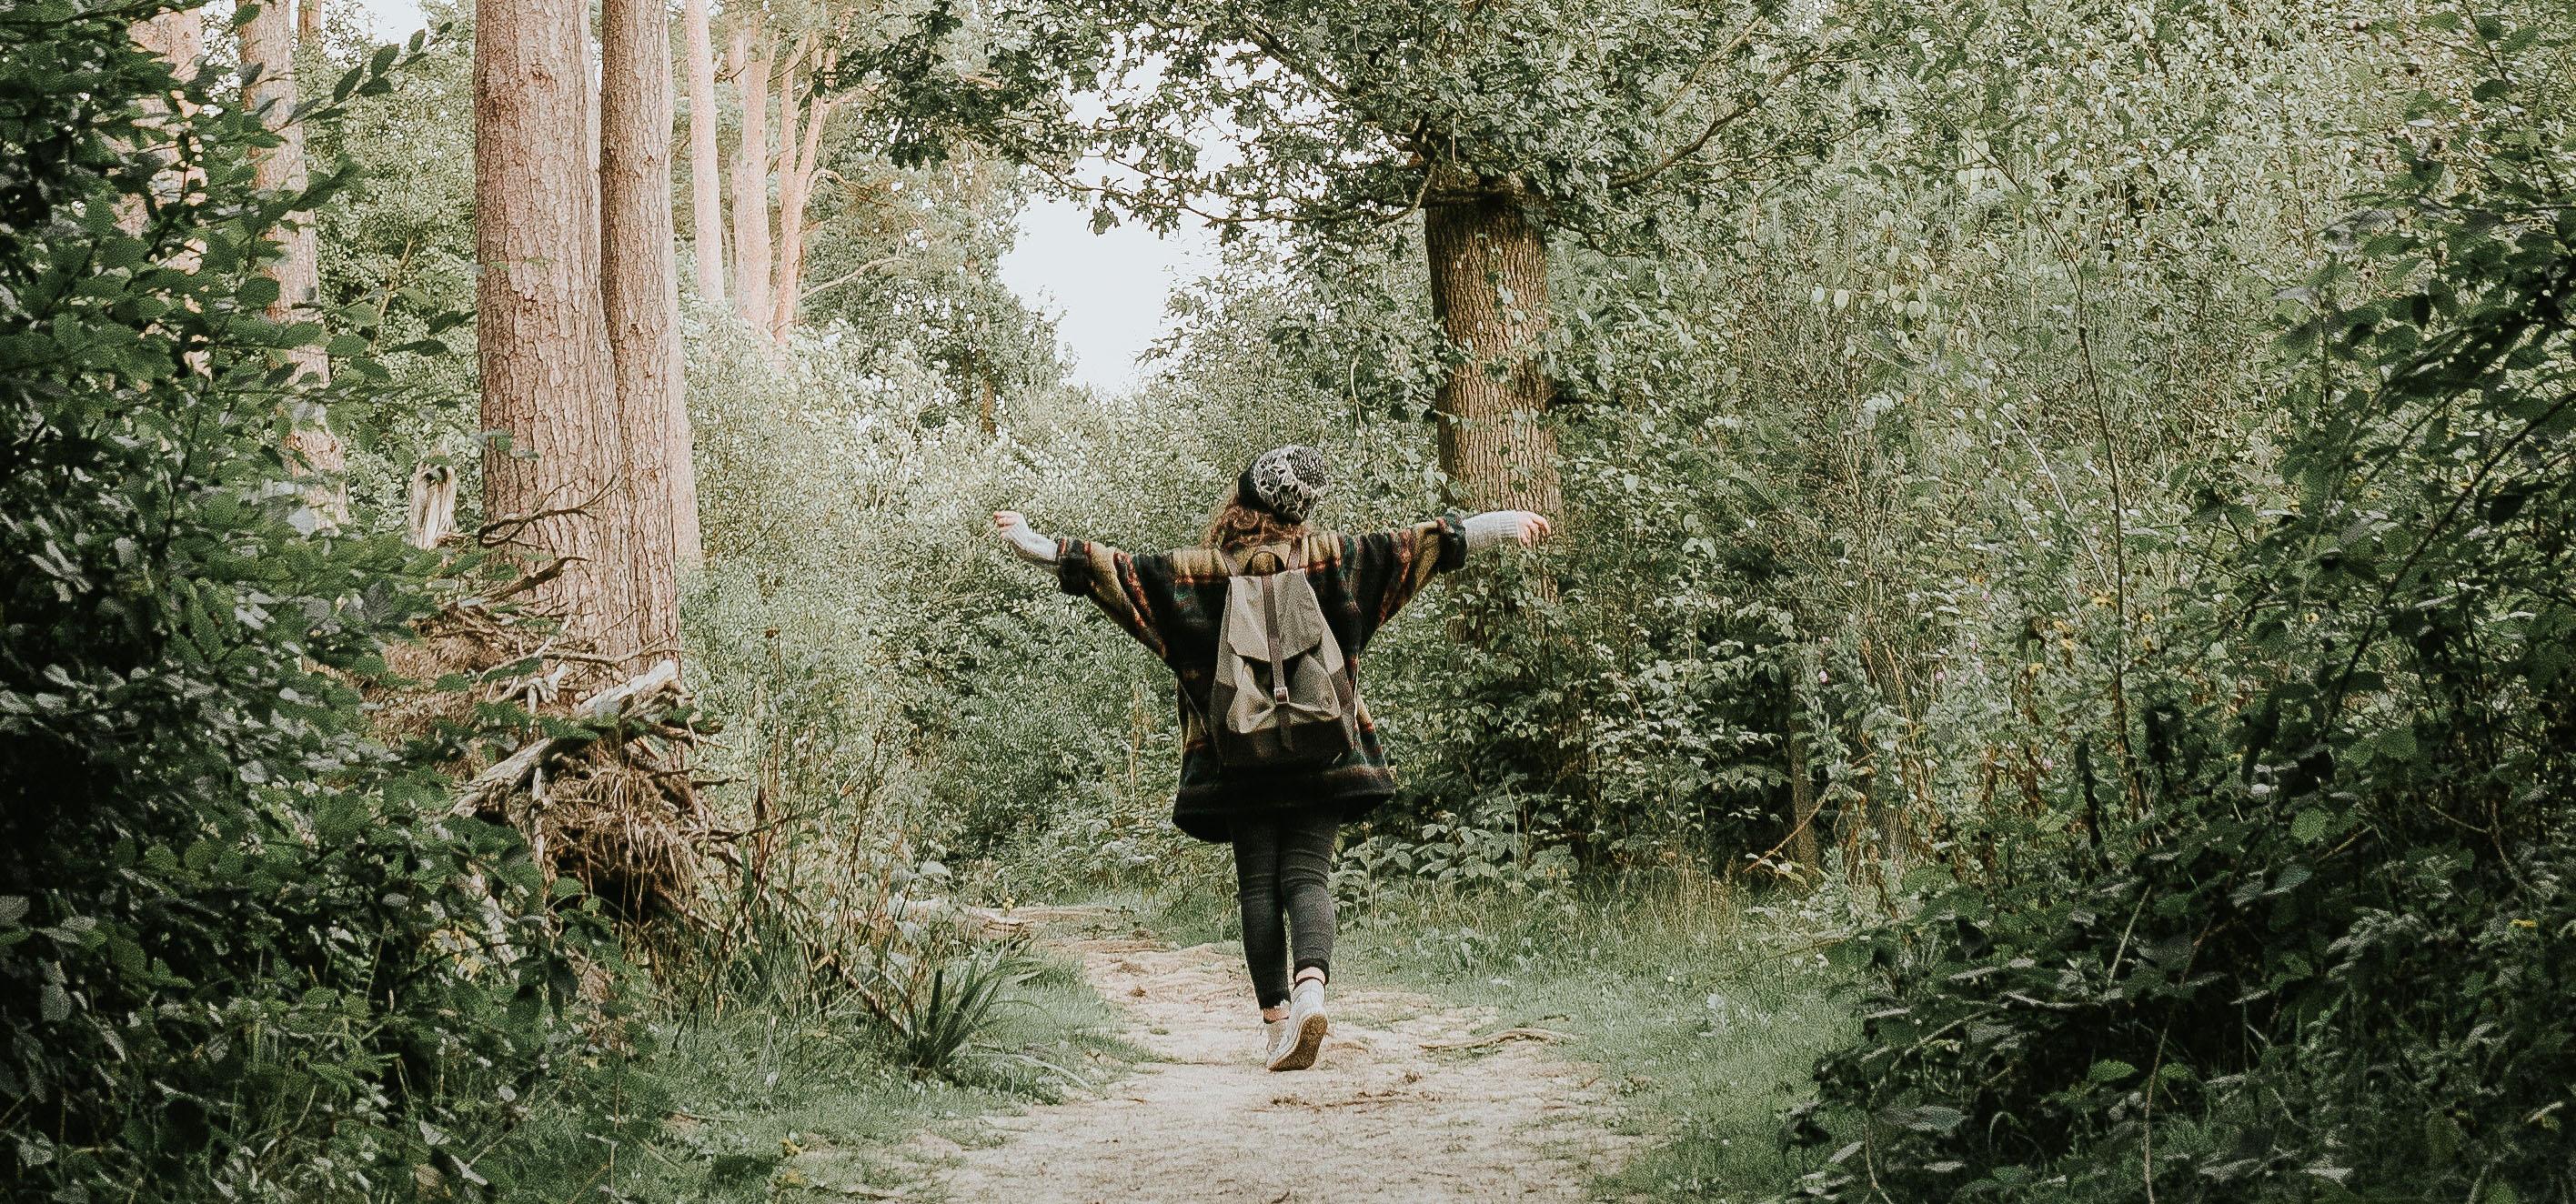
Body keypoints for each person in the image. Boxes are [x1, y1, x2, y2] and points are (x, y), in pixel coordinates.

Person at [991, 445, 1552, 1071]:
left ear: (1243, 501)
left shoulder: (1198, 574)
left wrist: (1031, 541)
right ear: (1301, 510)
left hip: (1237, 758)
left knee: (1259, 883)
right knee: (1307, 879)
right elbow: (1415, 547)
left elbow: (1115, 572)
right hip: (1324, 754)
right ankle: (1313, 987)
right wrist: (1503, 522)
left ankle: (1278, 1024)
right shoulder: (1335, 561)